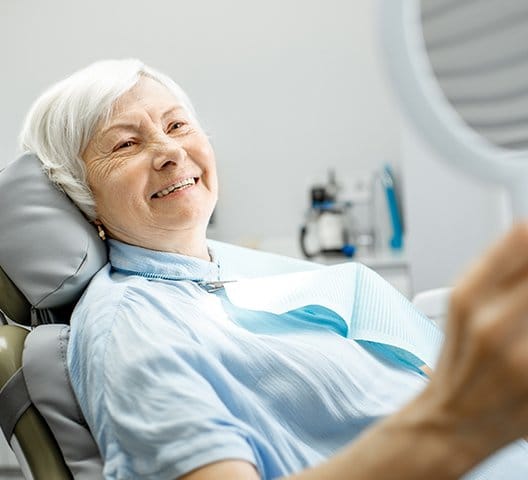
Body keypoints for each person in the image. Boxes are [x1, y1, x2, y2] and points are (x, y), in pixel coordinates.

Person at [19, 59, 528, 480]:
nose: (170, 151)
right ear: (81, 196)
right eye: (125, 144)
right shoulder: (130, 327)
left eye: (177, 125)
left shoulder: (231, 273)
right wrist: (456, 422)